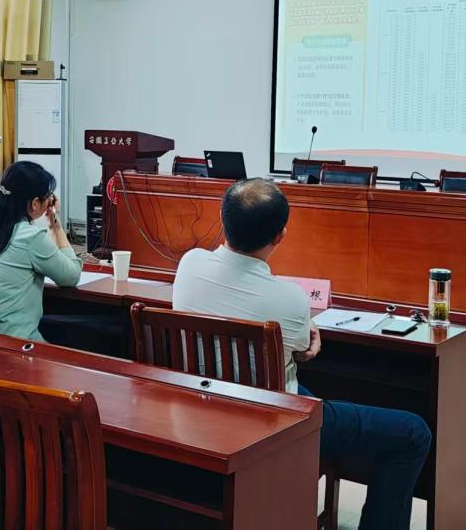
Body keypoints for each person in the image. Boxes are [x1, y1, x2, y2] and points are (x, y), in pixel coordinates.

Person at [173, 178, 431, 530]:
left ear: (222, 219)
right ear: (280, 236)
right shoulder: (290, 299)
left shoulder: (189, 264)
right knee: (412, 433)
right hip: (274, 426)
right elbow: (303, 350)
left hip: (199, 411)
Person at [0, 161, 80, 340]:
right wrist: (56, 226)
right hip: (15, 343)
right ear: (35, 203)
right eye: (47, 197)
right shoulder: (30, 237)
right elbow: (71, 276)